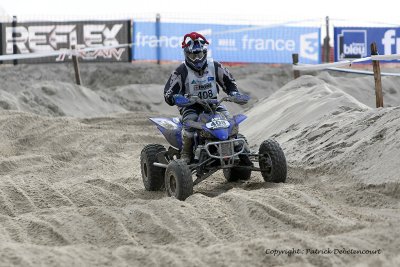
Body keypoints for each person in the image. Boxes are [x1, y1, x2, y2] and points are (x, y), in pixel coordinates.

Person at [164, 32, 244, 163]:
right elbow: (168, 93)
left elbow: (229, 83)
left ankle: (235, 145)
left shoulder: (215, 66)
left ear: (204, 53)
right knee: (190, 123)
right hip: (191, 106)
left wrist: (234, 93)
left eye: (199, 54)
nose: (196, 58)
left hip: (214, 104)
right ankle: (186, 154)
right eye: (192, 55)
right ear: (186, 54)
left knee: (230, 121)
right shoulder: (181, 71)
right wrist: (176, 98)